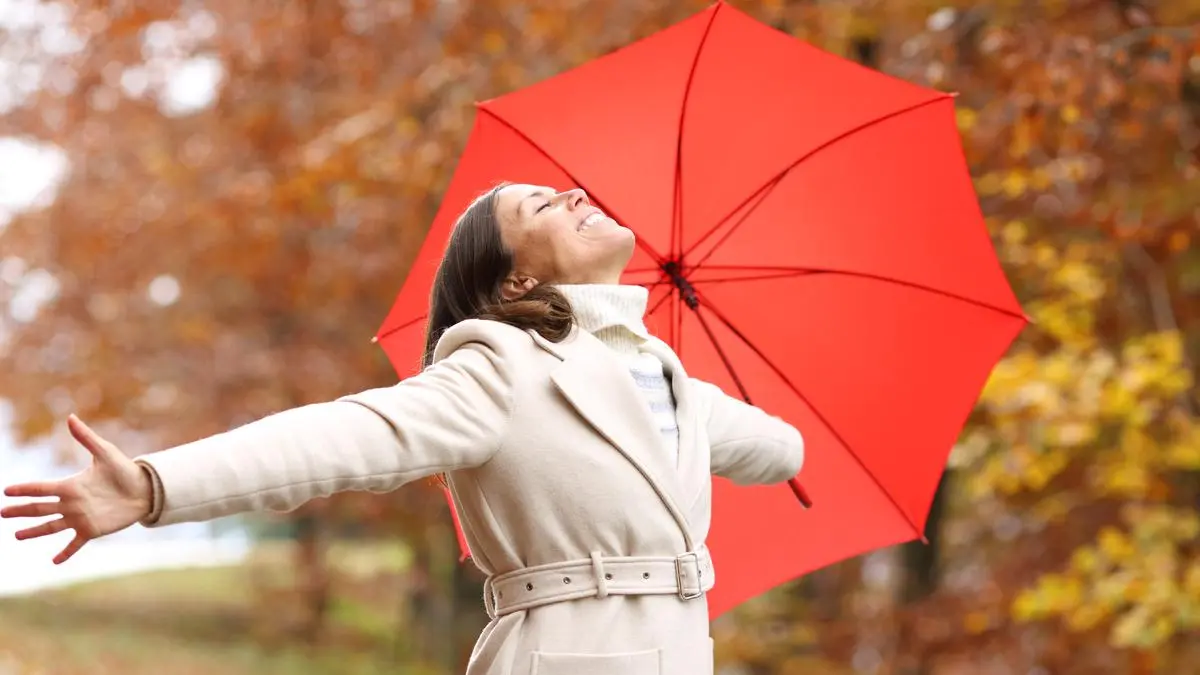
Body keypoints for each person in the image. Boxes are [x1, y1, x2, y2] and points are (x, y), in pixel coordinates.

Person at [1, 183, 804, 675]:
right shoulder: (497, 366)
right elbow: (339, 437)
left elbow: (781, 450)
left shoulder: (668, 375)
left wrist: (783, 442)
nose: (574, 195)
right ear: (516, 275)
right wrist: (151, 485)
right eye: (541, 205)